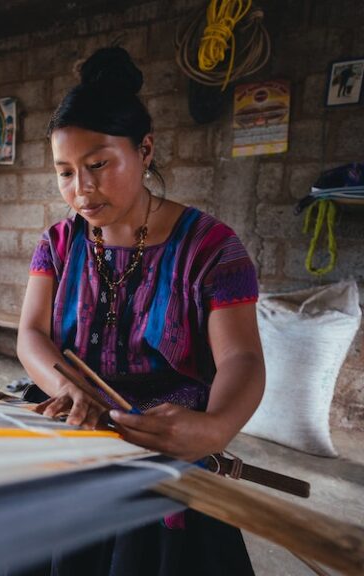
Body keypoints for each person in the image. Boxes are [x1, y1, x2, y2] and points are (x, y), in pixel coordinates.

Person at [16, 46, 265, 575]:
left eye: (97, 165)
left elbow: (241, 358)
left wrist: (214, 428)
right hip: (76, 437)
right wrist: (66, 388)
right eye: (65, 172)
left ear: (145, 149)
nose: (81, 190)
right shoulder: (58, 243)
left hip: (164, 447)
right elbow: (31, 335)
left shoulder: (211, 248)